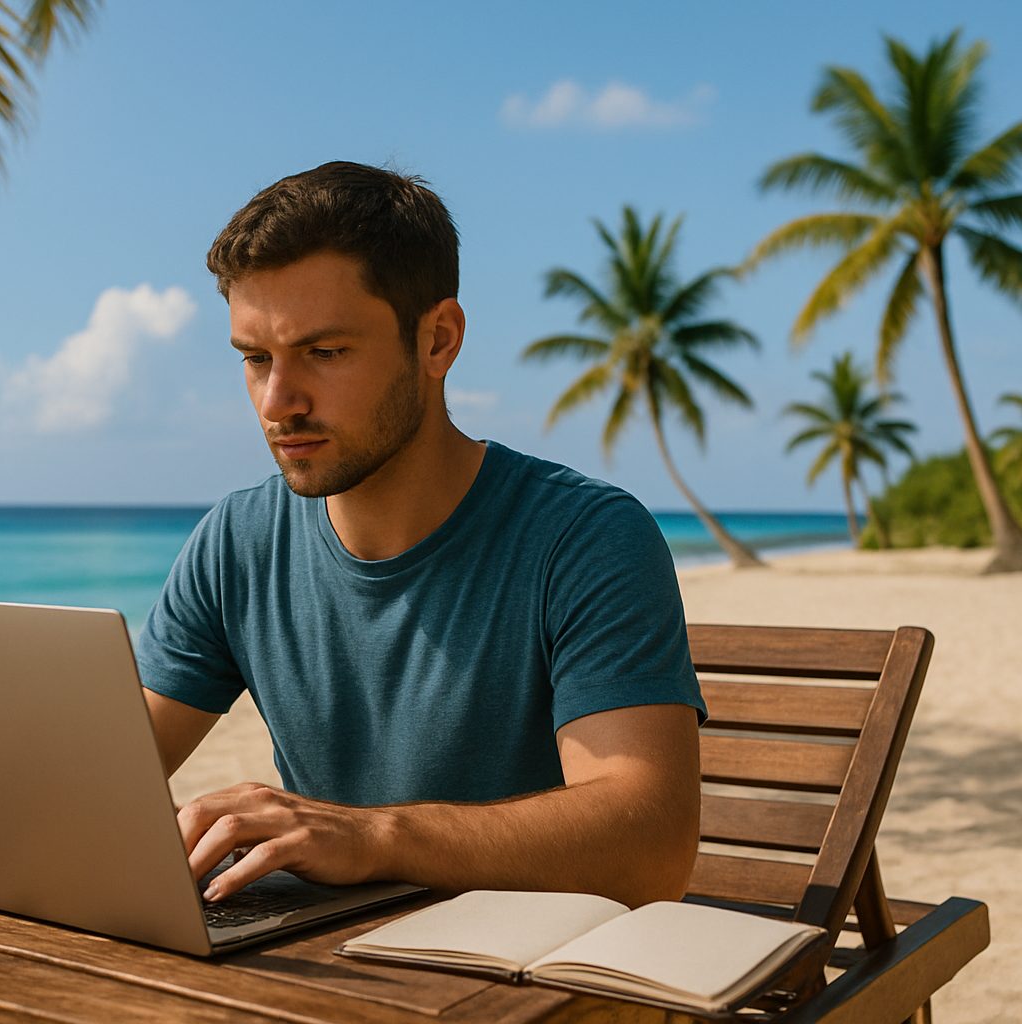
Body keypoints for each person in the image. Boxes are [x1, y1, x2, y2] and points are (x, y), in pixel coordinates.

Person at [136, 161, 705, 909]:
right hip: (326, 962)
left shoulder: (584, 537)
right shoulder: (239, 540)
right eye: (255, 358)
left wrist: (370, 837)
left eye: (325, 352)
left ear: (438, 340)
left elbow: (651, 847)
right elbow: (97, 775)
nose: (278, 402)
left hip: (526, 973)